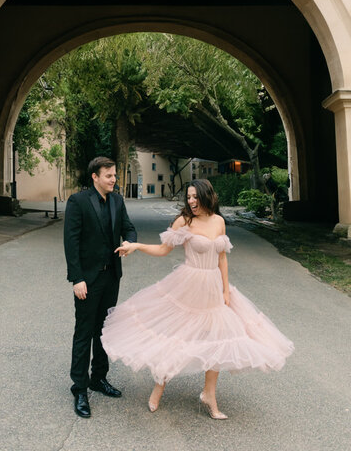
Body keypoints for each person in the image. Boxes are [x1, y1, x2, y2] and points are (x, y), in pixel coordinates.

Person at [101, 179, 294, 419]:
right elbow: (163, 250)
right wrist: (137, 245)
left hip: (213, 287)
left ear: (206, 195)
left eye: (195, 197)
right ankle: (159, 386)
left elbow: (222, 258)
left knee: (218, 338)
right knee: (177, 335)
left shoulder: (219, 222)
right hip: (189, 286)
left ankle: (209, 394)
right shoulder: (185, 221)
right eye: (188, 197)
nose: (191, 201)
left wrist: (225, 290)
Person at [64, 156, 137, 418]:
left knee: (105, 330)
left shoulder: (118, 200)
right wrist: (77, 278)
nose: (114, 180)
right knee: (84, 331)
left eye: (115, 175)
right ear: (95, 176)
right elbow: (71, 242)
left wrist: (130, 242)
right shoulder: (78, 201)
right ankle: (80, 388)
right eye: (109, 176)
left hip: (111, 278)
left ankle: (98, 378)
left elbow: (129, 228)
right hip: (87, 280)